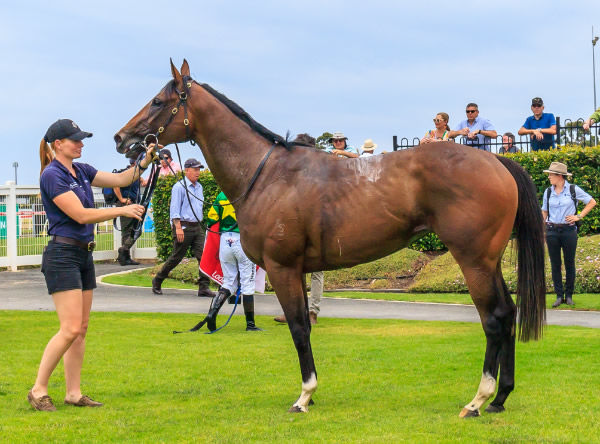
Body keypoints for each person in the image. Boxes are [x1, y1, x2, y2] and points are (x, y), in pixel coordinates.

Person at [29, 118, 152, 411]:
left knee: (81, 329)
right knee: (70, 328)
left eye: (82, 139)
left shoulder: (81, 170)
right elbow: (81, 215)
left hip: (82, 255)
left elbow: (123, 179)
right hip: (62, 255)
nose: (81, 144)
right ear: (58, 145)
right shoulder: (52, 175)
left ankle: (73, 393)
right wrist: (121, 209)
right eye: (76, 140)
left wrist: (146, 159)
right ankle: (38, 389)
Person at [274, 133, 323, 325]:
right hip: (298, 229)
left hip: (317, 229)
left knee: (317, 272)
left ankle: (312, 312)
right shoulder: (294, 175)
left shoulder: (318, 173)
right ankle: (295, 311)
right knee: (295, 271)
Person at [152, 158, 213, 297]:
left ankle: (203, 287)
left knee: (203, 257)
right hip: (183, 226)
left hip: (197, 226)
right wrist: (178, 227)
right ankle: (158, 280)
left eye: (199, 169)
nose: (198, 172)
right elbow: (174, 209)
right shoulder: (179, 187)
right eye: (195, 169)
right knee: (176, 257)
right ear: (187, 170)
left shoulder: (200, 187)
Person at [204, 191, 262, 331]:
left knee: (228, 282)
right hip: (242, 240)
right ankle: (250, 324)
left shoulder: (221, 195)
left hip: (225, 241)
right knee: (247, 283)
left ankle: (212, 313)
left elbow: (211, 218)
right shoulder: (248, 192)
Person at [542, 162, 596, 308]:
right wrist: (543, 229)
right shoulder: (548, 192)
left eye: (551, 175)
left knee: (569, 263)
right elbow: (545, 212)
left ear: (559, 176)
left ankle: (569, 295)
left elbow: (592, 202)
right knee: (555, 264)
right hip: (552, 230)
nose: (549, 177)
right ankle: (559, 296)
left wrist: (579, 216)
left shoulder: (573, 189)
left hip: (569, 231)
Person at [113, 158, 148, 266]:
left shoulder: (135, 175)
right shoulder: (126, 173)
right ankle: (124, 250)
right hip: (126, 204)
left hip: (132, 204)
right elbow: (115, 184)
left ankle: (124, 257)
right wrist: (122, 199)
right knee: (133, 231)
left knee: (128, 232)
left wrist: (141, 179)